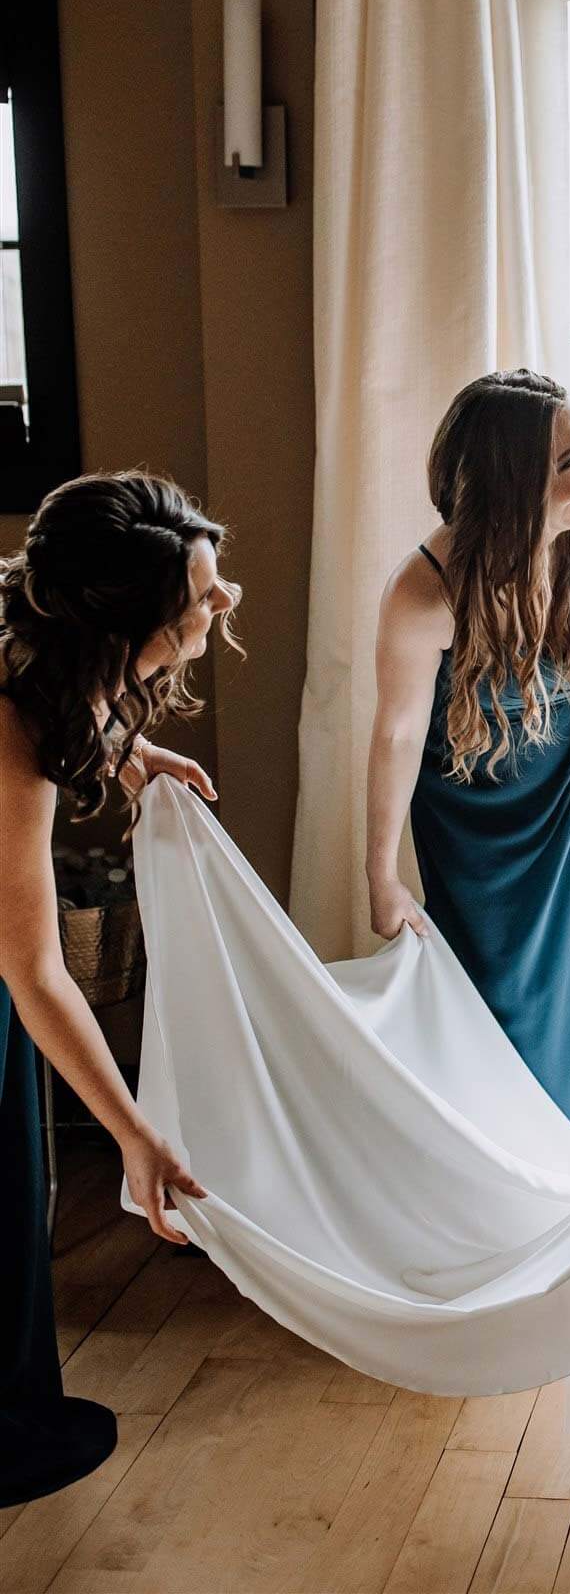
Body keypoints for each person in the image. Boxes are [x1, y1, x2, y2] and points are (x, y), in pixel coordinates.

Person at [0, 472, 232, 1505]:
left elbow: (67, 692)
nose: (221, 601)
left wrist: (132, 750)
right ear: (129, 627)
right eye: (200, 593)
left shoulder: (49, 651)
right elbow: (35, 967)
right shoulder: (8, 740)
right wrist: (135, 1131)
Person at [365, 370, 570, 1164]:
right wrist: (380, 875)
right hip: (477, 821)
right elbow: (398, 733)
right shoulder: (423, 591)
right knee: (497, 1008)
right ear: (507, 485)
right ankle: (506, 1185)